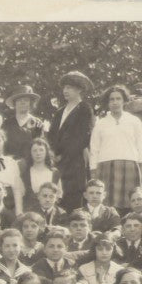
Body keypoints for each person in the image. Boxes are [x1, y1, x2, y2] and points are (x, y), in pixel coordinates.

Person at [89, 84, 142, 211]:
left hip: (129, 165)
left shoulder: (134, 121)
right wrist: (93, 170)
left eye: (118, 99)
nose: (115, 102)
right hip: (106, 166)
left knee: (131, 202)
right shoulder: (101, 124)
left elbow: (141, 144)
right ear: (108, 102)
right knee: (108, 205)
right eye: (112, 99)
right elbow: (94, 148)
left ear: (124, 101)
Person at [47, 71, 95, 209]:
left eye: (69, 87)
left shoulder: (84, 109)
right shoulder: (60, 112)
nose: (65, 91)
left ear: (79, 89)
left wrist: (63, 155)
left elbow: (83, 136)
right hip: (58, 163)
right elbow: (52, 135)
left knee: (74, 197)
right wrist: (53, 154)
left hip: (75, 162)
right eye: (64, 88)